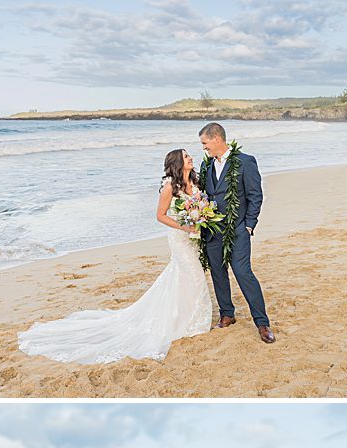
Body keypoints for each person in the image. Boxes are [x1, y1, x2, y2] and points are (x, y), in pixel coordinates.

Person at [17, 147, 212, 366]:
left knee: (184, 277)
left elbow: (200, 207)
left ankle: (185, 316)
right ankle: (192, 322)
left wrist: (199, 221)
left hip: (194, 237)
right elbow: (160, 216)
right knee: (193, 275)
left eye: (189, 155)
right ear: (177, 163)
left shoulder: (195, 184)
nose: (190, 158)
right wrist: (184, 227)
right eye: (186, 156)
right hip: (180, 237)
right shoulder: (169, 188)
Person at [198, 122, 276, 344]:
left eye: (205, 143)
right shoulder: (206, 166)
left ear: (217, 139)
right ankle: (227, 314)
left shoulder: (245, 162)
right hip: (212, 230)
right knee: (218, 273)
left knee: (243, 272)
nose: (204, 148)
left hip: (238, 230)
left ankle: (262, 323)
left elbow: (255, 196)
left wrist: (249, 225)